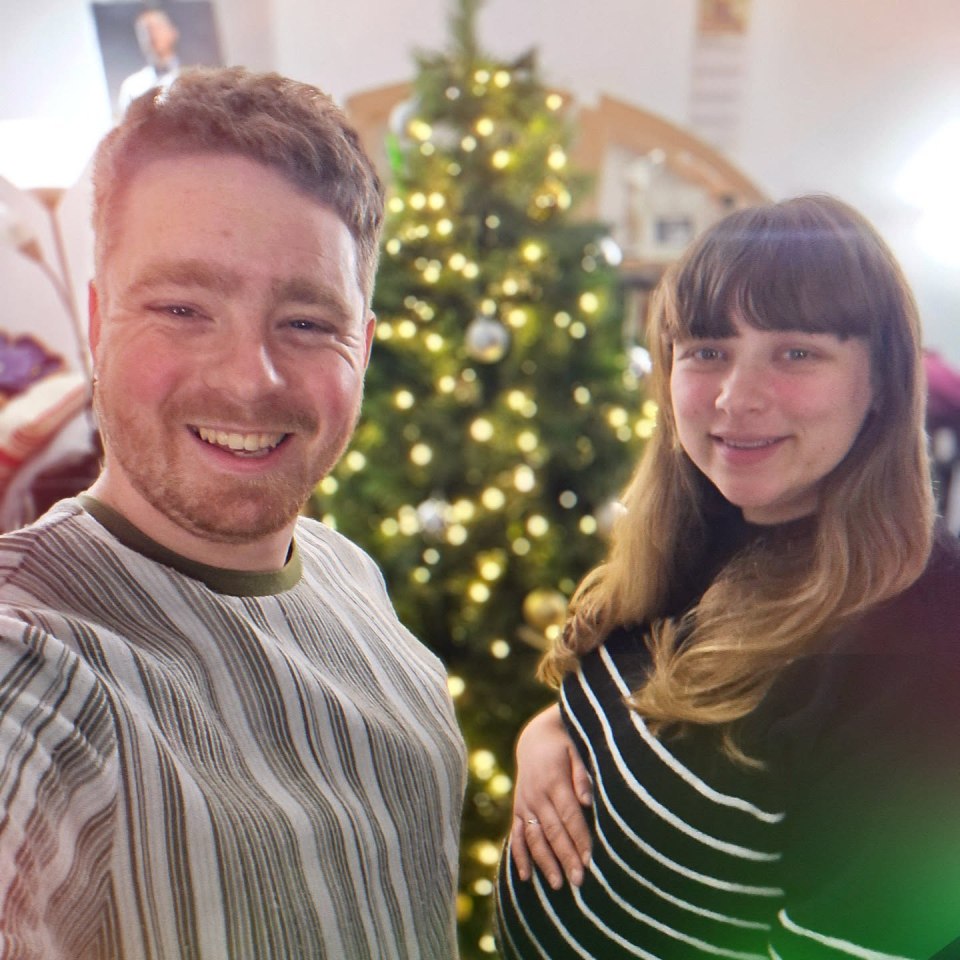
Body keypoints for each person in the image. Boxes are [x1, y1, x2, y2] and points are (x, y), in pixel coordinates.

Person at [0, 68, 466, 959]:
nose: (250, 378)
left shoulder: (347, 569)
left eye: (306, 321)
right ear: (99, 321)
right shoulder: (35, 662)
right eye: (182, 308)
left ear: (362, 346)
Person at [495, 195, 960, 959]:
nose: (735, 399)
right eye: (708, 349)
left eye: (797, 352)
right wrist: (545, 732)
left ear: (879, 381)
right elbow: (632, 709)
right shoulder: (704, 520)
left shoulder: (927, 646)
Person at [117, 8, 181, 115]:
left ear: (173, 32)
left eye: (157, 28)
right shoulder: (131, 86)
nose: (152, 35)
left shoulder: (195, 78)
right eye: (145, 31)